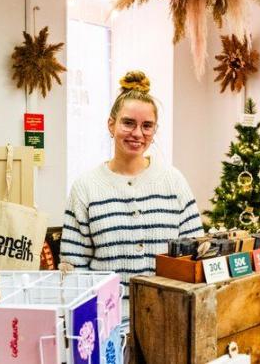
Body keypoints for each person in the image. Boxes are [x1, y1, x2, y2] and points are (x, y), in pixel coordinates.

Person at [60, 70, 204, 315]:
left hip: (171, 319)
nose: (138, 133)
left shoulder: (174, 181)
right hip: (108, 323)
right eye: (128, 123)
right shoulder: (86, 188)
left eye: (147, 126)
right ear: (111, 124)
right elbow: (74, 271)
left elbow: (196, 256)